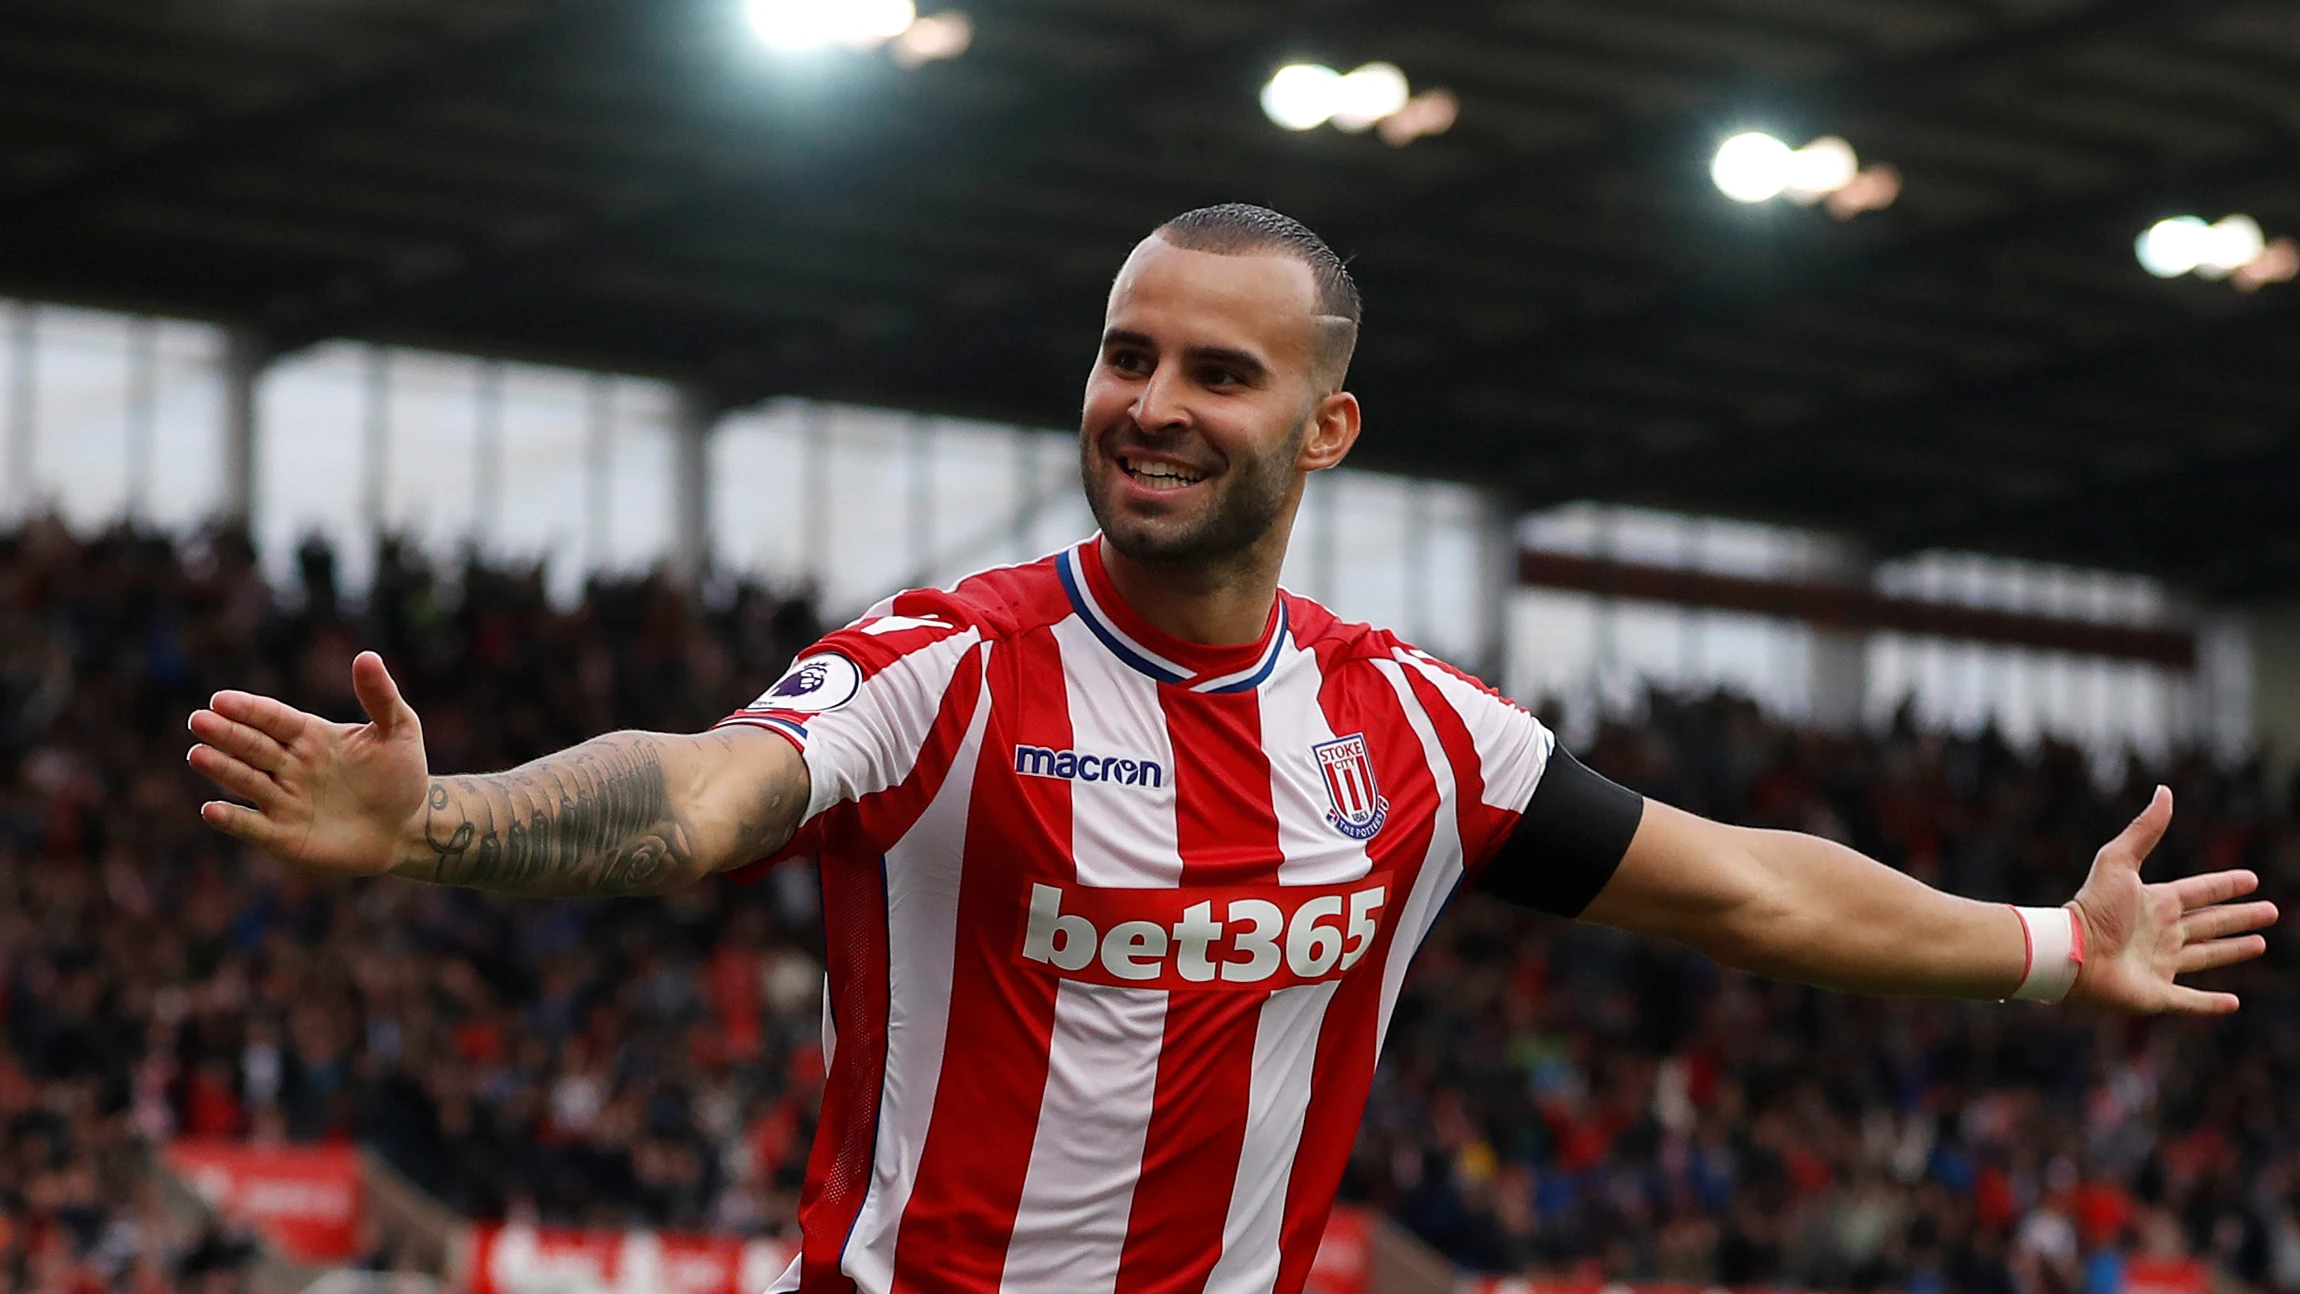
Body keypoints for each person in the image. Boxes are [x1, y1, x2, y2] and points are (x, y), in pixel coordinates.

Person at [185, 203, 2275, 1294]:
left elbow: (1734, 878)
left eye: (1217, 367)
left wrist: (2037, 942)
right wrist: (443, 821)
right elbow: (702, 791)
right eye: (1123, 352)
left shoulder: (1410, 730)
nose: (1151, 399)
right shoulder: (949, 663)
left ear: (1324, 427)